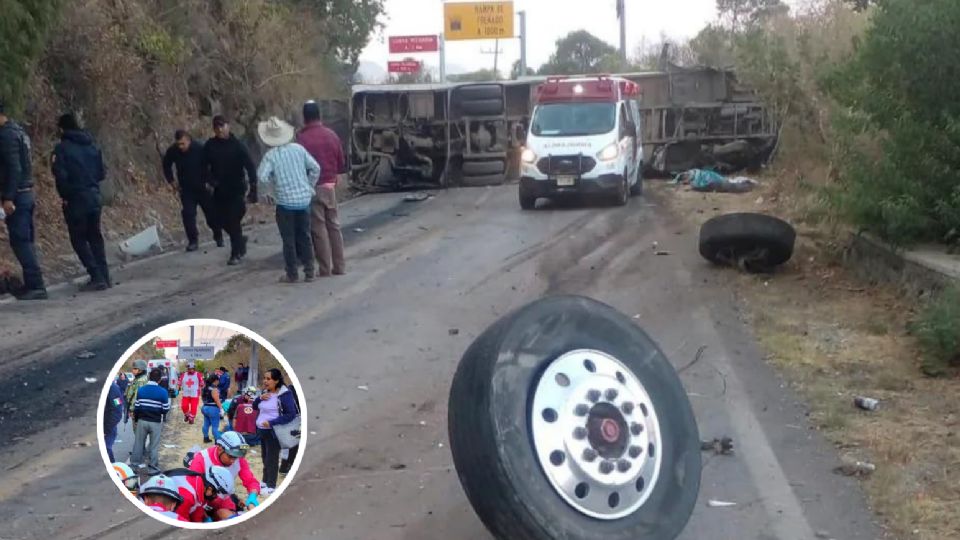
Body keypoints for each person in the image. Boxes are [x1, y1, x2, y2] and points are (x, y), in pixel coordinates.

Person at [257, 116, 320, 283]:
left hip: (285, 203)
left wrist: (271, 192)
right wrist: (309, 186)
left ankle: (292, 273)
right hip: (303, 201)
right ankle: (310, 271)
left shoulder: (271, 156)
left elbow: (262, 176)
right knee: (305, 236)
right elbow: (315, 168)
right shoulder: (299, 149)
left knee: (289, 240)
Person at [52, 113, 110, 291]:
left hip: (76, 199)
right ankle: (104, 275)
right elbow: (102, 173)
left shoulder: (62, 149)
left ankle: (96, 275)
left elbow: (61, 177)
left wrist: (66, 195)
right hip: (94, 196)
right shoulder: (92, 145)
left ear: (62, 129)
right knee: (95, 237)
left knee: (78, 239)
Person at [0, 98, 47, 300]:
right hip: (26, 192)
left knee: (20, 241)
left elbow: (14, 168)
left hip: (18, 194)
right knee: (26, 240)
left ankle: (36, 285)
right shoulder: (19, 132)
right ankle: (33, 282)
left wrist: (8, 197)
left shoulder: (6, 136)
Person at [297, 101, 346, 277]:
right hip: (330, 187)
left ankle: (325, 269)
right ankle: (340, 267)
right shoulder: (332, 135)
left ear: (304, 118)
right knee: (334, 226)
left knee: (318, 229)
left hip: (312, 188)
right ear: (320, 115)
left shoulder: (301, 139)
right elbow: (341, 163)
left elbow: (299, 166)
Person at [202, 116, 257, 266]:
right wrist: (209, 180)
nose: (220, 129)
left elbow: (250, 167)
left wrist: (253, 190)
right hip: (219, 191)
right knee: (217, 220)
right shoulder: (210, 146)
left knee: (233, 221)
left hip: (236, 190)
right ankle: (239, 241)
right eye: (216, 127)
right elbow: (202, 166)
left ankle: (235, 253)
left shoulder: (238, 145)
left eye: (222, 126)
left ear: (228, 126)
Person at [163, 130, 222, 251]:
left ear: (189, 141)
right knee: (188, 214)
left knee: (211, 214)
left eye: (183, 144)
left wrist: (212, 182)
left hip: (202, 187)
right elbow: (166, 164)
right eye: (179, 144)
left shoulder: (200, 148)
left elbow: (212, 164)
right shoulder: (173, 151)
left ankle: (218, 234)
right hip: (186, 189)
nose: (181, 147)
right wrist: (171, 181)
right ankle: (193, 241)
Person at [188, 431, 262, 510]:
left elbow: (251, 481)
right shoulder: (201, 460)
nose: (233, 461)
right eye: (230, 456)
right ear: (220, 448)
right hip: (204, 501)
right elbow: (194, 491)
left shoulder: (239, 460)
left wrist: (252, 497)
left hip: (225, 497)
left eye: (236, 457)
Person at [254, 368, 300, 492]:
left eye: (268, 379)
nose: (265, 381)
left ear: (276, 380)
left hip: (274, 431)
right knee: (264, 457)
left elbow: (290, 414)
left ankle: (271, 485)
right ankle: (264, 480)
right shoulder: (265, 392)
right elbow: (254, 406)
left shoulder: (285, 394)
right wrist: (259, 398)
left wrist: (271, 422)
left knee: (272, 458)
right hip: (262, 430)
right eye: (264, 378)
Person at [167, 465, 236, 522]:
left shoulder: (199, 483)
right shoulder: (186, 497)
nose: (216, 497)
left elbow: (198, 506)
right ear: (209, 489)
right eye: (217, 493)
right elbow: (182, 525)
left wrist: (202, 520)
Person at [132, 368, 170, 469]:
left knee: (138, 444)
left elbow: (137, 407)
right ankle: (152, 468)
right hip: (156, 422)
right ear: (160, 380)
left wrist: (136, 420)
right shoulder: (163, 392)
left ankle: (134, 466)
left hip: (142, 421)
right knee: (154, 446)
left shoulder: (141, 390)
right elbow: (165, 409)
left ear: (149, 377)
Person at [103, 380, 124, 462]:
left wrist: (106, 429)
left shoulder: (113, 388)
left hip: (107, 427)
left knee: (106, 449)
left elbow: (117, 410)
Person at [201, 373, 224, 443]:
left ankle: (206, 438)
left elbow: (202, 397)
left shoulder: (204, 387)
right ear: (215, 380)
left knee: (206, 424)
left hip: (205, 407)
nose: (219, 382)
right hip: (213, 408)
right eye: (218, 380)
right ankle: (217, 441)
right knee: (215, 426)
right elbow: (216, 400)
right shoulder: (214, 389)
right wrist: (221, 409)